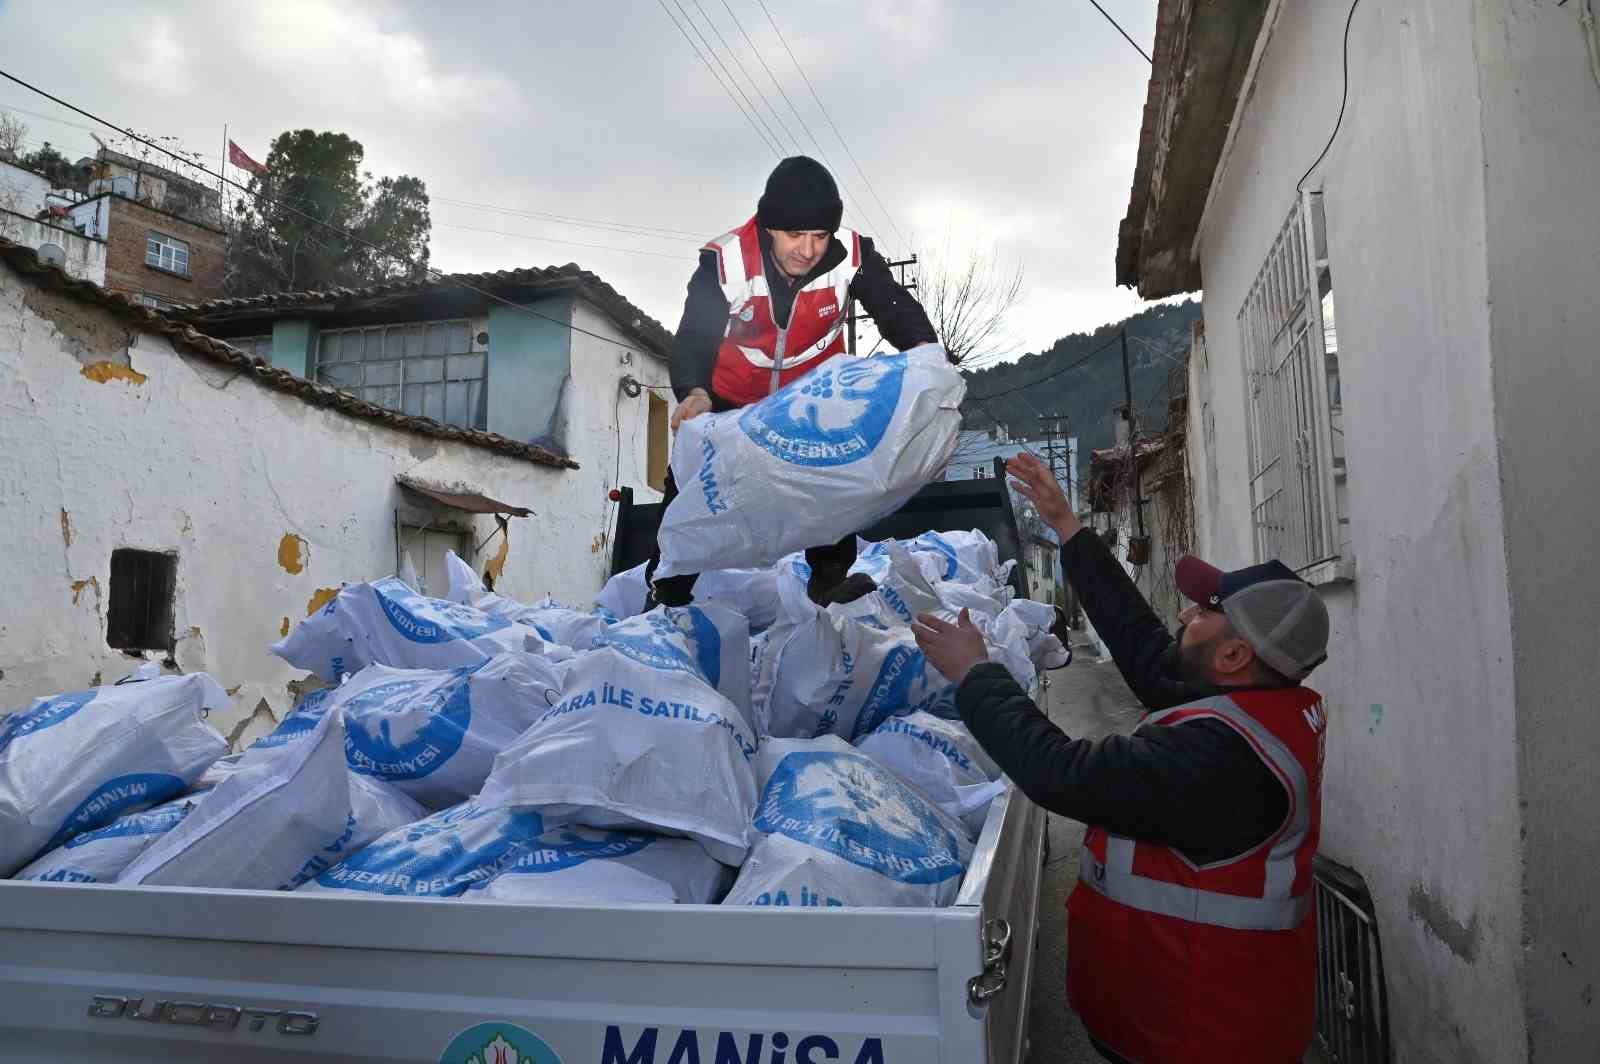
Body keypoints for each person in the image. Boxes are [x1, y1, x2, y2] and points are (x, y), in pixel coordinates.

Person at [912, 450, 1331, 1064]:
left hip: (1203, 1037)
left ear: (1236, 656)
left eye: (1206, 609)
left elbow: (1062, 772)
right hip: (1192, 1018)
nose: (1186, 611)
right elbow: (1146, 649)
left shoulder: (1221, 760)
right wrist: (1069, 530)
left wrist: (977, 674)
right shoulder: (1260, 705)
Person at [647, 155, 939, 609]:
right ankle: (665, 594)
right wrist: (695, 392)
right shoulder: (725, 262)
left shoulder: (852, 255)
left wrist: (927, 357)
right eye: (794, 235)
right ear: (768, 228)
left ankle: (828, 579)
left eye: (819, 235)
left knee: (835, 473)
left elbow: (895, 309)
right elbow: (694, 336)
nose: (808, 249)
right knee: (692, 486)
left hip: (810, 397)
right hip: (731, 398)